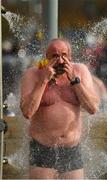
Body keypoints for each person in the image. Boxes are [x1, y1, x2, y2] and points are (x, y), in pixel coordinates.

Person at [20, 38, 100, 179]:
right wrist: (43, 81)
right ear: (46, 58)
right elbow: (27, 112)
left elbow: (93, 108)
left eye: (64, 55)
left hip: (71, 148)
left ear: (70, 57)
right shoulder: (33, 74)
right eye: (55, 56)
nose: (61, 61)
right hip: (42, 147)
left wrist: (75, 81)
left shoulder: (80, 71)